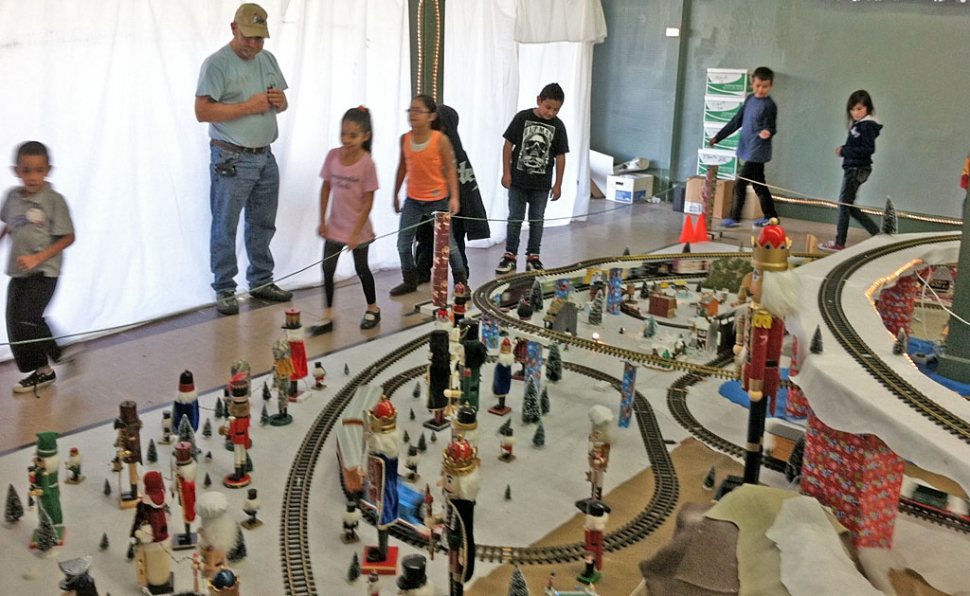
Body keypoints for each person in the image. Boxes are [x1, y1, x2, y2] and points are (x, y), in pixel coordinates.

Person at [195, 3, 293, 316]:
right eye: (249, 37)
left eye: (259, 39)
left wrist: (280, 101)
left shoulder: (268, 59)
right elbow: (202, 112)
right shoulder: (216, 65)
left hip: (265, 154)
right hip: (231, 156)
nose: (253, 45)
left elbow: (282, 102)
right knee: (225, 224)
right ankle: (225, 288)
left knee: (263, 223)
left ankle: (261, 282)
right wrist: (246, 107)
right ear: (234, 28)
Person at [1, 141, 75, 393]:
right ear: (16, 170)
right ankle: (42, 371)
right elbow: (11, 224)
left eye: (38, 170)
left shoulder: (54, 200)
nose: (32, 176)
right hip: (18, 270)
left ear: (48, 170)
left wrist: (37, 258)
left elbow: (68, 237)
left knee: (28, 317)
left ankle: (60, 351)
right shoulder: (12, 197)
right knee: (15, 320)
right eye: (26, 170)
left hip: (45, 270)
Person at [391, 95, 468, 296]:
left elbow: (451, 170)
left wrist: (454, 197)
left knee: (448, 246)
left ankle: (462, 283)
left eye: (419, 110)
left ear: (431, 116)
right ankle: (409, 280)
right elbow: (402, 167)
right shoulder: (405, 139)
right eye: (411, 110)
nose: (413, 114)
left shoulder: (440, 140)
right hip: (413, 200)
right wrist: (396, 193)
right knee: (403, 243)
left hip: (437, 200)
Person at [314, 107, 381, 332]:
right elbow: (325, 188)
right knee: (327, 268)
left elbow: (369, 202)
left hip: (358, 229)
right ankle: (328, 315)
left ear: (365, 136)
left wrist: (355, 233)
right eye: (343, 134)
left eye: (352, 135)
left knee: (362, 268)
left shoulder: (367, 164)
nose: (346, 139)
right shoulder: (333, 156)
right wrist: (322, 220)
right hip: (335, 226)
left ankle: (373, 308)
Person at [495, 82, 569, 275]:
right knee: (515, 218)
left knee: (537, 220)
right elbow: (507, 145)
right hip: (518, 182)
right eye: (548, 107)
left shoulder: (558, 126)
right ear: (539, 100)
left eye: (556, 109)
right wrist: (506, 172)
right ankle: (510, 255)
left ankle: (533, 256)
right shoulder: (522, 118)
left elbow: (561, 156)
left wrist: (558, 184)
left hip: (542, 185)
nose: (551, 113)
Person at [414, 104, 490, 282]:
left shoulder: (454, 150)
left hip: (450, 207)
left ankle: (461, 278)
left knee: (454, 243)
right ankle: (422, 273)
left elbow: (465, 184)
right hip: (427, 202)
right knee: (425, 240)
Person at [710, 66, 779, 228]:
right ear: (752, 83)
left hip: (757, 151)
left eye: (765, 86)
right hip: (747, 147)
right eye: (757, 85)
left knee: (740, 184)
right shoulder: (750, 100)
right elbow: (736, 120)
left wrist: (768, 132)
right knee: (759, 184)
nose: (761, 89)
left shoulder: (769, 105)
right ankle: (771, 216)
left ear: (771, 86)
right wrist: (719, 136)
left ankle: (735, 217)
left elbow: (772, 126)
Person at [820, 90, 882, 251]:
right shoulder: (860, 125)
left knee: (843, 205)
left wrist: (845, 151)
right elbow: (858, 146)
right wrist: (846, 148)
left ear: (867, 108)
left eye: (860, 108)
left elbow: (868, 149)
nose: (856, 112)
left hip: (856, 169)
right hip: (854, 167)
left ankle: (839, 242)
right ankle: (879, 235)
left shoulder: (867, 125)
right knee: (849, 206)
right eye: (853, 109)